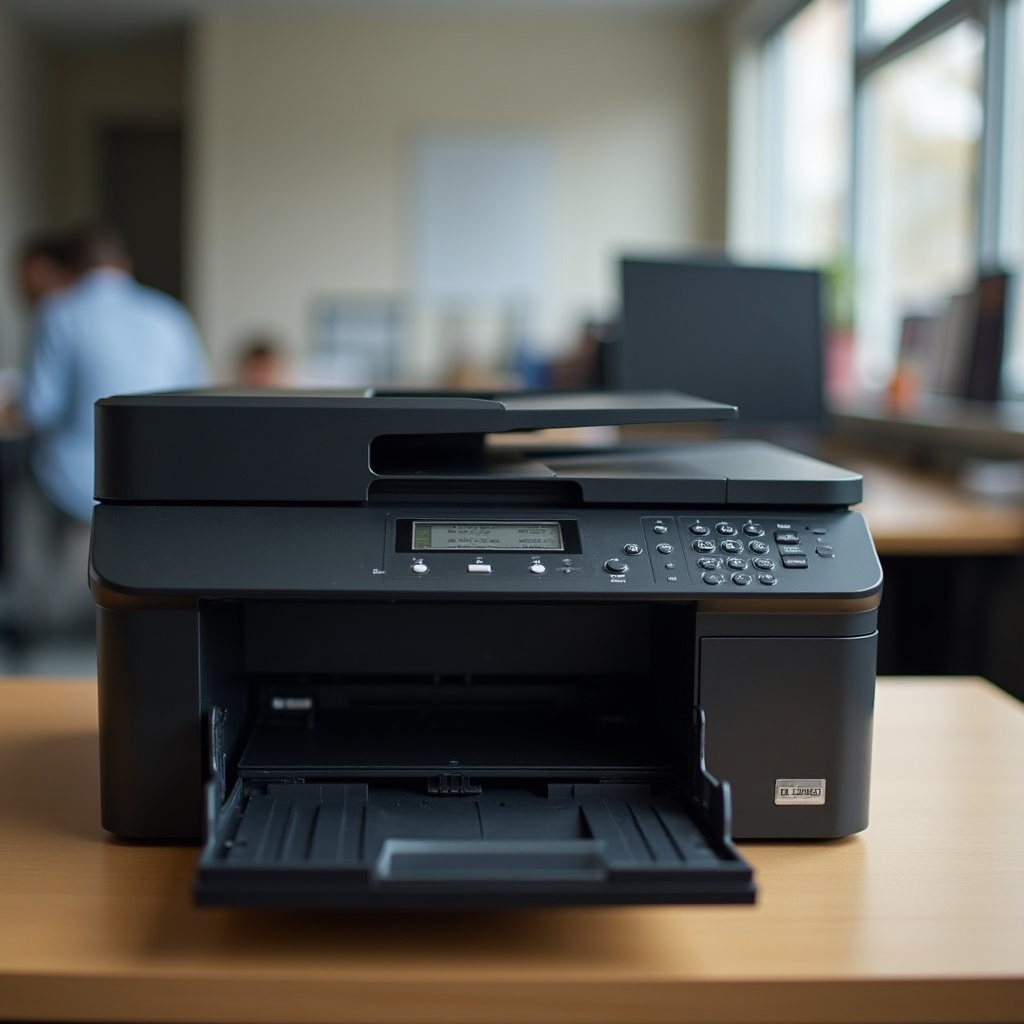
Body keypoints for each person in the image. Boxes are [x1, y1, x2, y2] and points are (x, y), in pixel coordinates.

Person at [2, 220, 211, 636]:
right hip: (156, 484)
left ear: (70, 269)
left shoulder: (59, 313)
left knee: (18, 475)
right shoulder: (169, 313)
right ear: (123, 263)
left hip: (74, 485)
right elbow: (198, 399)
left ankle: (32, 615)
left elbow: (38, 409)